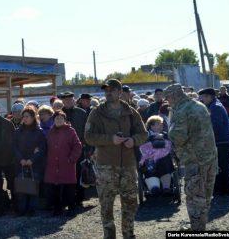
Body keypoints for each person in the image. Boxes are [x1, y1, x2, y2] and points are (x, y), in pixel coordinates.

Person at [85, 79, 147, 239]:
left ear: (120, 92)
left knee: (130, 203)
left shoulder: (131, 112)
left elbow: (143, 134)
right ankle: (109, 236)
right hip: (106, 166)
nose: (108, 93)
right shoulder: (97, 112)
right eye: (106, 90)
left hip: (128, 165)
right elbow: (88, 137)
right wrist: (110, 139)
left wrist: (133, 140)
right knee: (106, 205)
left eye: (111, 90)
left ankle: (128, 234)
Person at [164, 84, 218, 231]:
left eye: (168, 97)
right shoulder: (199, 105)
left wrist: (170, 123)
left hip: (194, 160)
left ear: (174, 96)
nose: (167, 101)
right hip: (210, 157)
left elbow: (178, 137)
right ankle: (202, 227)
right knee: (205, 196)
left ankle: (197, 229)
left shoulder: (181, 111)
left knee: (194, 198)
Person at [45, 110, 82, 216]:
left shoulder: (70, 131)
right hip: (53, 164)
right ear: (53, 120)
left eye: (61, 118)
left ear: (65, 120)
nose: (59, 120)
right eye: (57, 119)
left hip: (67, 163)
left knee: (68, 187)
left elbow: (77, 146)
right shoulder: (51, 131)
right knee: (54, 188)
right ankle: (57, 208)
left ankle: (71, 207)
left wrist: (72, 159)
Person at [198, 88, 229, 196]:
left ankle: (224, 190)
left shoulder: (215, 107)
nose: (201, 99)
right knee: (219, 165)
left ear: (209, 96)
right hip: (221, 140)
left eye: (203, 97)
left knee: (221, 165)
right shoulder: (213, 105)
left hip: (221, 141)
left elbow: (215, 126)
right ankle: (222, 189)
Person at [13, 106, 46, 216]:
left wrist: (32, 159)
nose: (25, 118)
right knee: (21, 188)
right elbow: (14, 147)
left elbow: (42, 149)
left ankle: (32, 210)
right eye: (24, 116)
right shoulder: (18, 131)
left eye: (27, 116)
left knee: (33, 187)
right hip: (20, 164)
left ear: (33, 117)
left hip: (35, 165)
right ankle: (22, 210)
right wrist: (21, 159)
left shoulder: (39, 132)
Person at [58, 91, 88, 206]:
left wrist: (87, 147)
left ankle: (79, 198)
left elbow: (87, 131)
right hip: (64, 150)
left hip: (80, 147)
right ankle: (68, 198)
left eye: (70, 100)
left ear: (74, 100)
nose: (68, 102)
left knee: (79, 173)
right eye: (65, 100)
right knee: (67, 174)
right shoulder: (59, 114)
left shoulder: (81, 113)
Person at [139, 116, 174, 195]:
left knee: (166, 162)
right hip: (150, 159)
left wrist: (164, 138)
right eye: (158, 124)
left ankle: (166, 187)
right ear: (152, 126)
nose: (161, 126)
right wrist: (152, 138)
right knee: (149, 166)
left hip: (164, 159)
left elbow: (171, 145)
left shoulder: (165, 134)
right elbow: (142, 148)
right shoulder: (146, 135)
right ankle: (154, 187)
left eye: (161, 124)